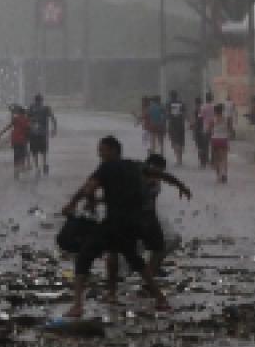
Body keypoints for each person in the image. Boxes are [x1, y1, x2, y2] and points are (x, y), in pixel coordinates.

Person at [61, 136, 170, 316]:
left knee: (84, 257)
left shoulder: (106, 167)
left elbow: (88, 188)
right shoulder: (133, 165)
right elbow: (159, 173)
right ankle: (160, 299)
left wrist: (77, 203)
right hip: (132, 223)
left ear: (113, 150)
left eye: (102, 150)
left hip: (113, 223)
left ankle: (77, 305)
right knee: (135, 260)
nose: (100, 154)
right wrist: (181, 185)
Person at [103, 153, 192, 300]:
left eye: (159, 172)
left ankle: (148, 278)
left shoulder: (156, 180)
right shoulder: (134, 176)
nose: (156, 176)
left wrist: (181, 186)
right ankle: (115, 286)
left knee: (169, 241)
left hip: (148, 218)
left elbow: (166, 180)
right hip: (129, 219)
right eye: (154, 171)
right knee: (125, 250)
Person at [0, 105, 31, 179]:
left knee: (16, 155)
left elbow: (8, 127)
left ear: (19, 113)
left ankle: (16, 170)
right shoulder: (26, 120)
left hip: (15, 139)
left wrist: (0, 134)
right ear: (24, 113)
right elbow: (29, 129)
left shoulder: (15, 119)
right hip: (22, 140)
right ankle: (21, 167)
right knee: (23, 154)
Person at [27, 94, 57, 176]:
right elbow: (53, 119)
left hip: (33, 134)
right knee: (44, 151)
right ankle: (44, 164)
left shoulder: (31, 108)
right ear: (42, 100)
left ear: (35, 100)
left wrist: (29, 128)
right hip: (43, 134)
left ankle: (37, 167)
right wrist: (54, 129)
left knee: (35, 151)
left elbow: (26, 119)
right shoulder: (46, 108)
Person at [166, 91, 188, 166]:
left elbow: (167, 115)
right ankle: (180, 159)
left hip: (173, 125)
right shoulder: (181, 103)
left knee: (175, 142)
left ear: (171, 96)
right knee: (180, 141)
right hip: (181, 124)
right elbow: (185, 114)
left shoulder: (169, 104)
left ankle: (178, 159)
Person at [198, 93, 216, 169]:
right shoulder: (214, 107)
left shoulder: (203, 107)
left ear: (206, 98)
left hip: (205, 128)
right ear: (211, 98)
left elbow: (200, 117)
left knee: (204, 146)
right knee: (213, 146)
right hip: (213, 128)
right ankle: (213, 162)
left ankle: (204, 162)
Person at [192, 96, 210, 169]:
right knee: (205, 145)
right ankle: (205, 160)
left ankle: (202, 162)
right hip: (205, 128)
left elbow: (196, 120)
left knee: (200, 146)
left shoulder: (197, 110)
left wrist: (193, 126)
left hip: (198, 129)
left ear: (195, 103)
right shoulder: (204, 108)